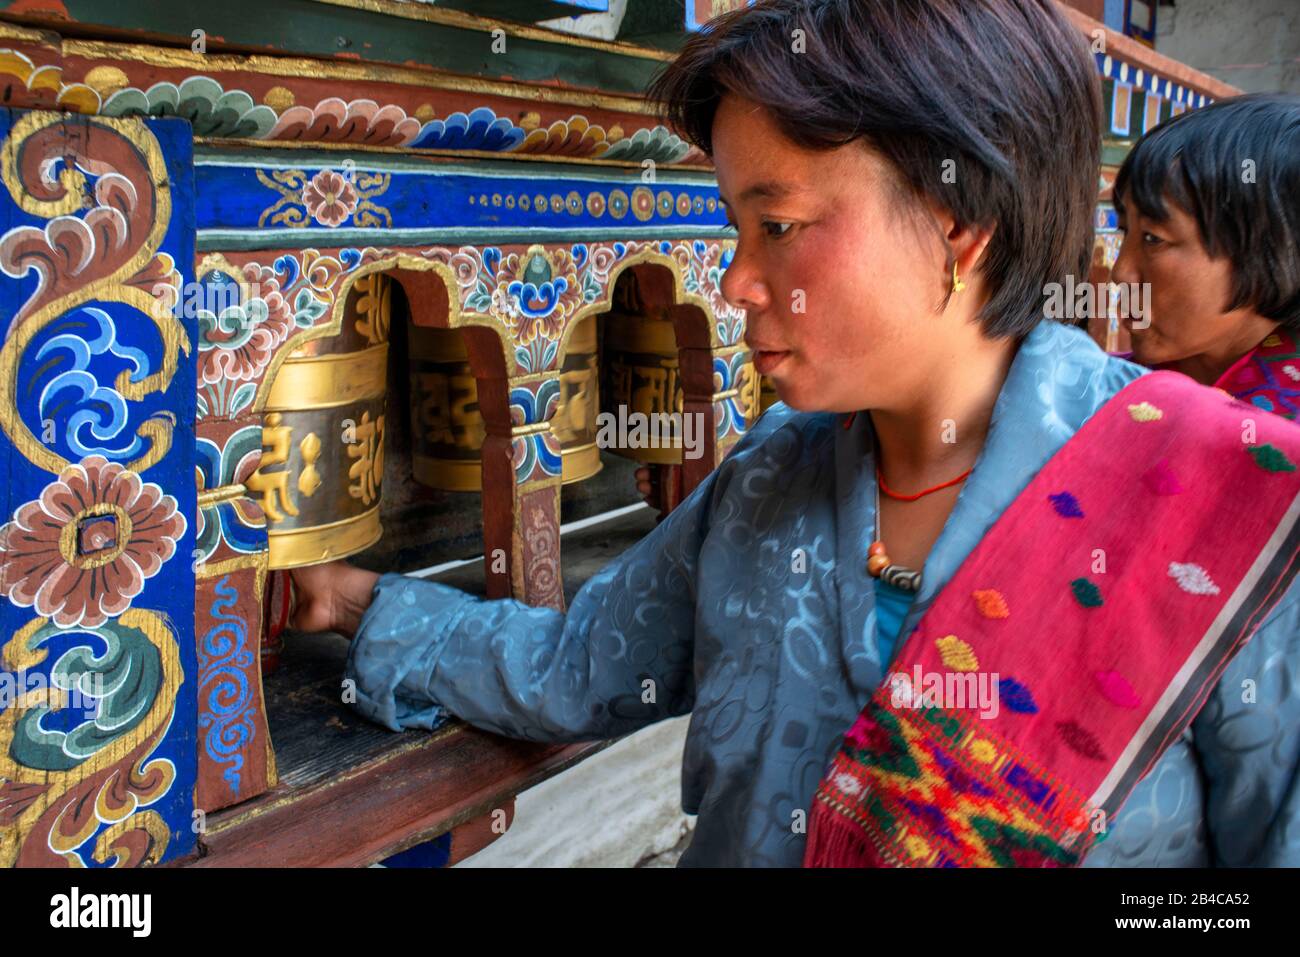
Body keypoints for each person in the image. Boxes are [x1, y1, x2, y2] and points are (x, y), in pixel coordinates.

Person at [290, 0, 1300, 867]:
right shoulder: (770, 478)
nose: (733, 280)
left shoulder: (1232, 505)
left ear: (957, 221)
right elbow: (577, 669)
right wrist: (366, 604)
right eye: (734, 229)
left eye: (776, 225)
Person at [1111, 93, 1300, 419]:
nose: (1121, 272)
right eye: (1125, 231)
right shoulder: (1105, 391)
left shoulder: (1288, 442)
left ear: (1269, 255)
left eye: (1153, 239)